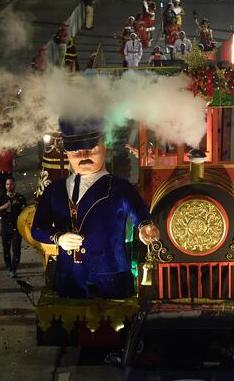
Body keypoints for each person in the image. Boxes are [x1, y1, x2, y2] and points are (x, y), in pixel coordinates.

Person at [31, 118, 160, 298]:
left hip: (110, 277)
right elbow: (37, 229)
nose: (84, 156)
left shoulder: (119, 187)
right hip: (69, 278)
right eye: (76, 151)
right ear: (66, 152)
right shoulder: (54, 190)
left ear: (104, 146)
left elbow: (138, 210)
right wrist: (58, 238)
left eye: (91, 149)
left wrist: (145, 226)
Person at [0, 177, 27, 278]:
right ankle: (8, 266)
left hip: (17, 228)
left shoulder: (21, 197)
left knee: (16, 249)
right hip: (5, 228)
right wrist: (3, 207)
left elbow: (25, 211)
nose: (9, 186)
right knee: (6, 249)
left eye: (11, 184)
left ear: (15, 185)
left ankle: (14, 269)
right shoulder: (1, 198)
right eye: (7, 184)